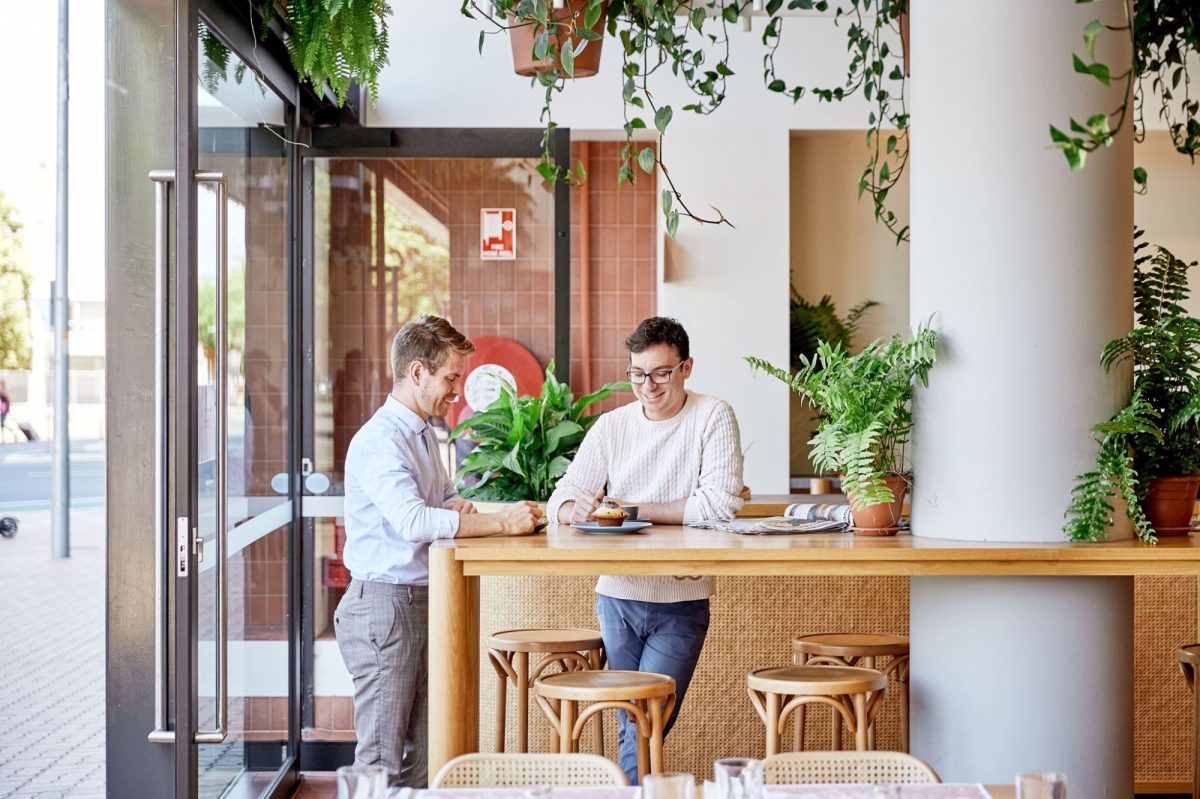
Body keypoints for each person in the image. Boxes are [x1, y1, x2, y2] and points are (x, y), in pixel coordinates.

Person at [335, 315, 543, 788]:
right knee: (380, 760)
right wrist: (499, 522)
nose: (457, 390)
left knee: (429, 754)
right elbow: (412, 522)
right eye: (451, 378)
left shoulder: (423, 434)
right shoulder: (381, 441)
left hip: (421, 600)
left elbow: (444, 498)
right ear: (416, 373)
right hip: (385, 607)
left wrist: (463, 506)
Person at [546, 316, 744, 784]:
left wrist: (633, 508)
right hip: (616, 597)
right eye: (637, 373)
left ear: (686, 367)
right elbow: (561, 498)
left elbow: (718, 506)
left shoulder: (712, 415)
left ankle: (629, 791)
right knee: (631, 723)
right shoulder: (613, 426)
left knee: (645, 720)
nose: (647, 386)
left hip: (680, 597)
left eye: (661, 373)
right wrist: (577, 509)